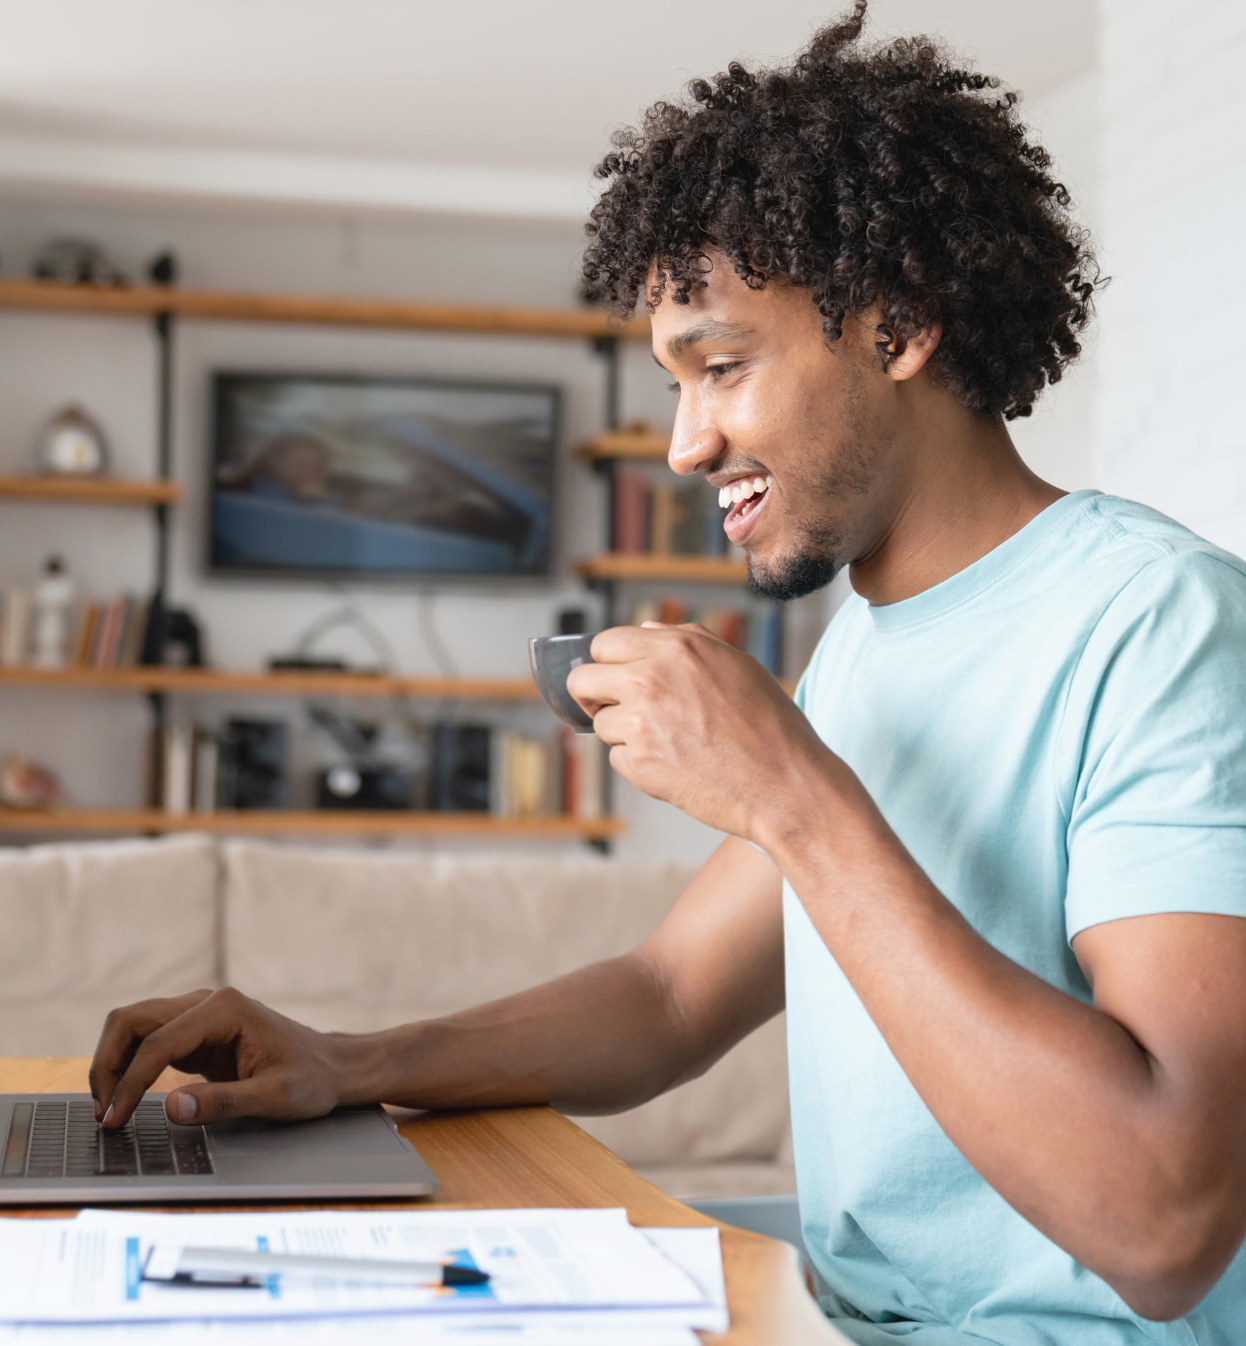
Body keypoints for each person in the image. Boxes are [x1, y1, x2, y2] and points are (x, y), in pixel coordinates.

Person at [90, 5, 1246, 1341]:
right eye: (670, 384)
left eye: (722, 366)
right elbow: (668, 996)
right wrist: (350, 1062)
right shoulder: (868, 639)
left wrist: (790, 790)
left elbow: (1164, 1219)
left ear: (900, 326)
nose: (685, 446)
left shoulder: (1162, 625)